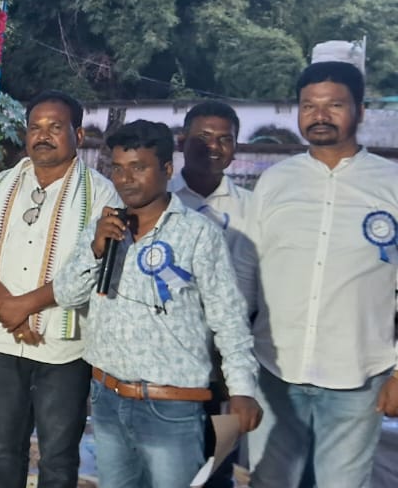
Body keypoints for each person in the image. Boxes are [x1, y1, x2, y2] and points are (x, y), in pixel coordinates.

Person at [52, 120, 262, 488]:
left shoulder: (199, 234)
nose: (125, 179)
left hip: (171, 406)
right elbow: (67, 295)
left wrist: (242, 390)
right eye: (118, 168)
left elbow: (229, 320)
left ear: (167, 169)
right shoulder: (105, 226)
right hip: (108, 398)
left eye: (138, 168)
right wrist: (95, 249)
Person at [246, 61, 398, 487]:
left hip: (359, 374)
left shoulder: (391, 183)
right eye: (309, 105)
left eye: (334, 105)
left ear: (360, 111)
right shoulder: (275, 182)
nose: (320, 115)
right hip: (275, 369)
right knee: (270, 481)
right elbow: (245, 272)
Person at [0, 91, 117, 488]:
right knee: (2, 450)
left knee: (58, 456)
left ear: (78, 135)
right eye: (35, 127)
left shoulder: (101, 192)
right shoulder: (4, 182)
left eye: (55, 127)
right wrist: (7, 306)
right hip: (4, 339)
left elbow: (94, 269)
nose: (43, 136)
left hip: (64, 347)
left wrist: (25, 306)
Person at [169, 100, 256, 488]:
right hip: (166, 355)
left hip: (226, 360)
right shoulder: (158, 198)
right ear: (181, 140)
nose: (214, 147)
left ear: (235, 147)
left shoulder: (251, 208)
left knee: (216, 466)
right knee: (165, 464)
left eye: (225, 139)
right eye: (203, 137)